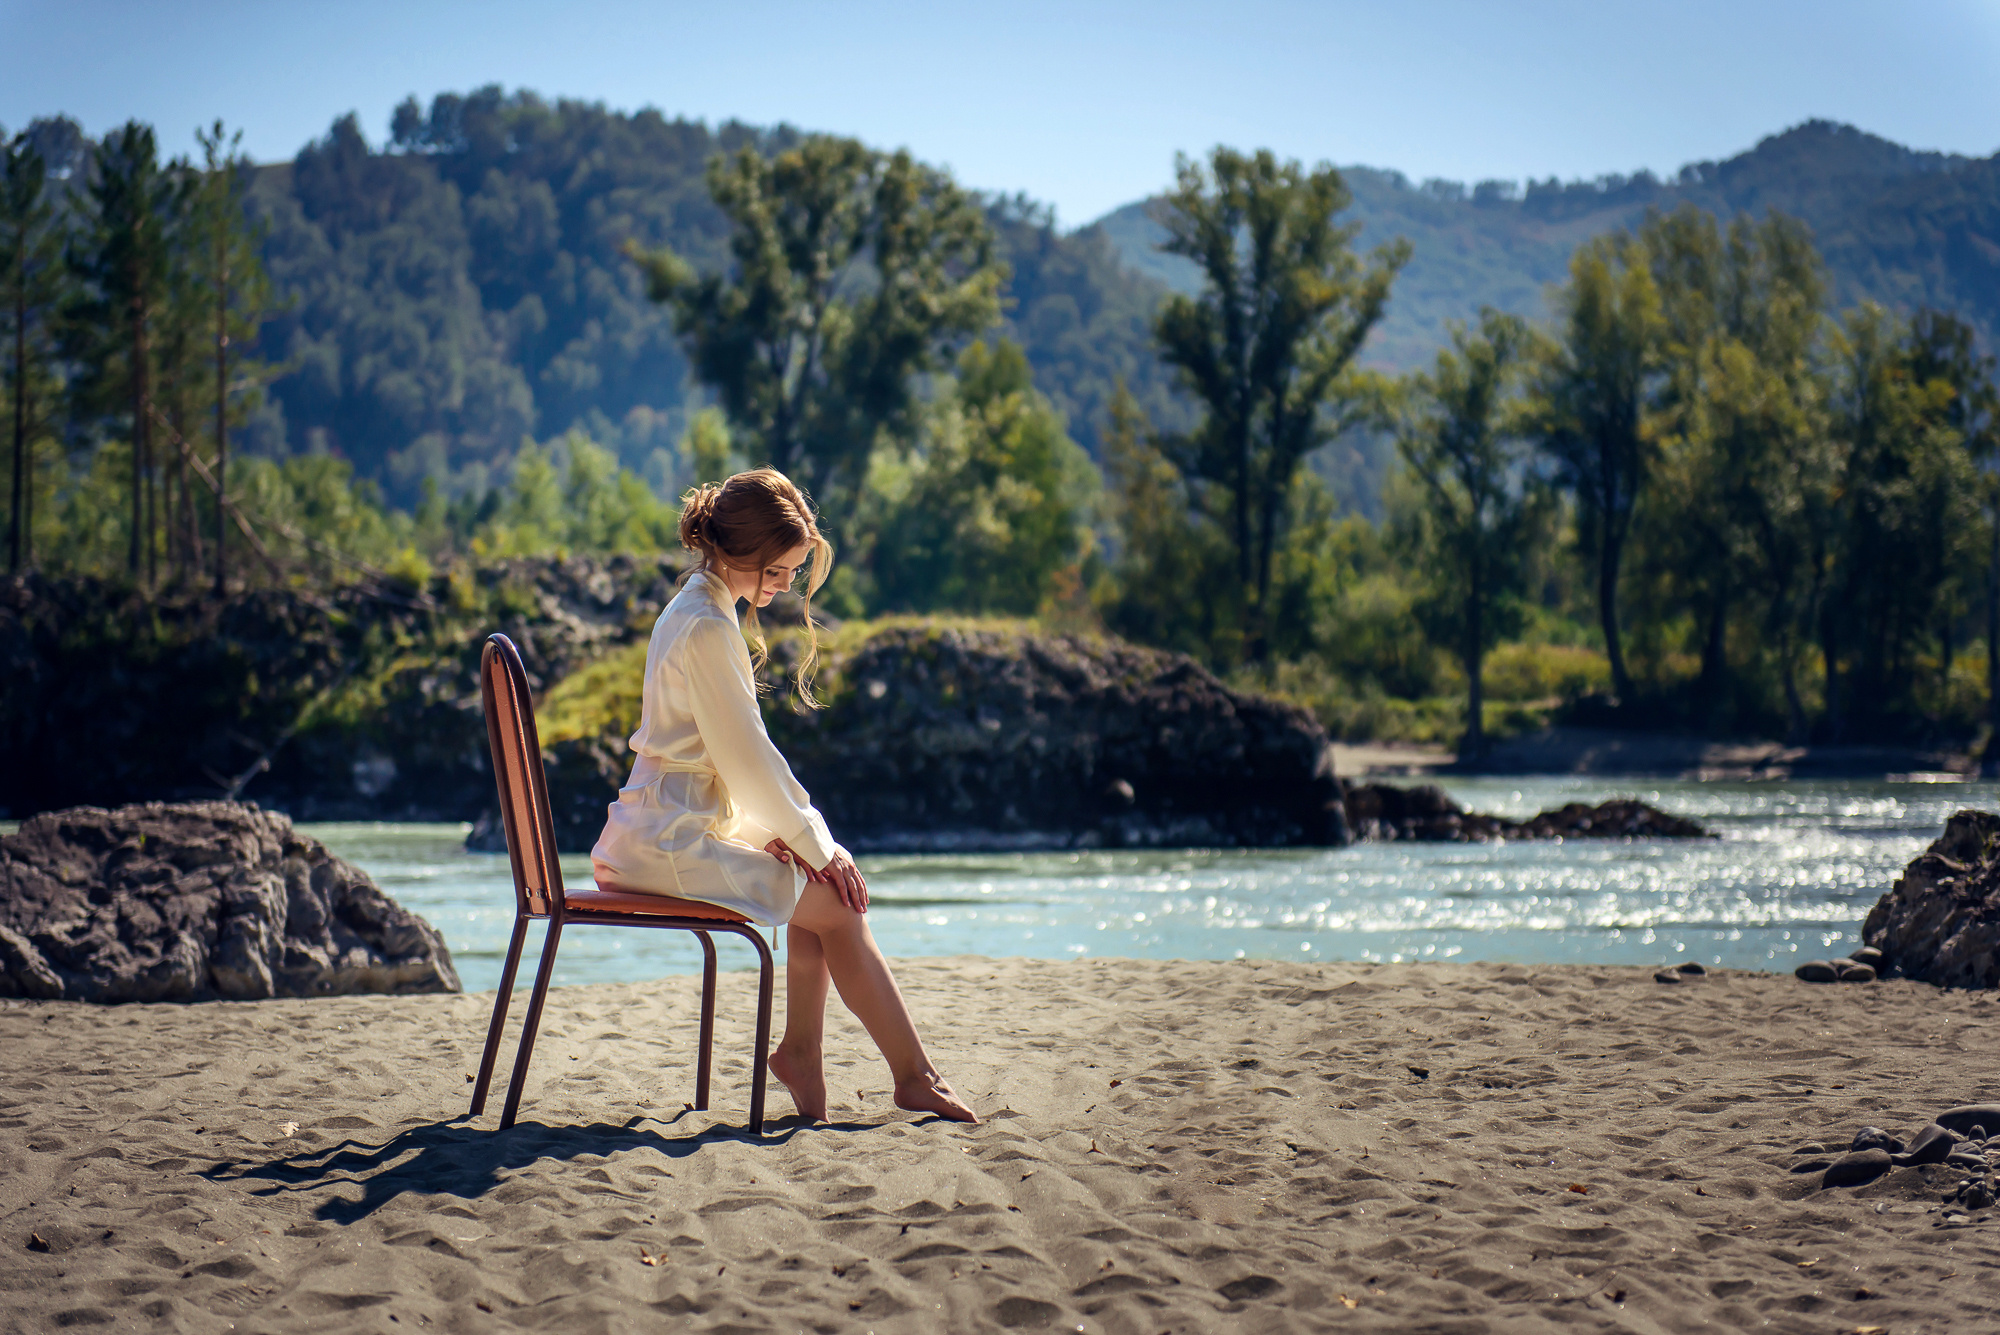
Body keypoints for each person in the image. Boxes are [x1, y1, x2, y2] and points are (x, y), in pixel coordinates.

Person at [590, 468, 977, 1125]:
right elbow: (747, 760)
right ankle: (915, 1076)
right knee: (841, 906)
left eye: (794, 572)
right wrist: (815, 843)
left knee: (815, 885)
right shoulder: (706, 625)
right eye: (778, 571)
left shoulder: (697, 607)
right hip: (668, 842)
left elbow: (722, 764)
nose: (787, 585)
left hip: (664, 826)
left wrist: (795, 842)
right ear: (739, 552)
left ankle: (802, 1053)